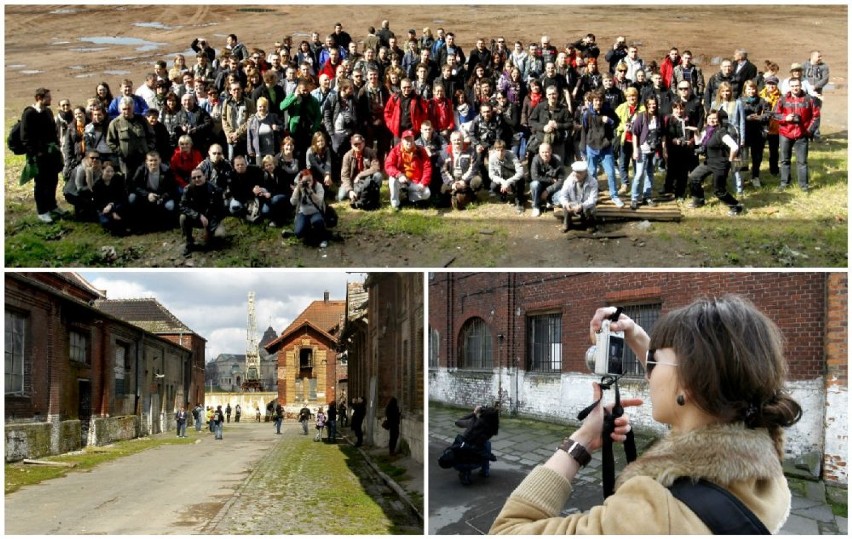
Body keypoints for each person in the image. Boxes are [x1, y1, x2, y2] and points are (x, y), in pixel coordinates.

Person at [489, 296, 802, 534]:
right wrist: (637, 336)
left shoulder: (654, 510)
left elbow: (507, 530)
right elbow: (690, 395)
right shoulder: (764, 467)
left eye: (656, 362)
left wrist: (583, 439)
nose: (648, 376)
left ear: (691, 383)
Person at [21, 88, 68, 223]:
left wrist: (56, 147)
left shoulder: (48, 112)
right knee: (40, 183)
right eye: (48, 97)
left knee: (52, 180)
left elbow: (53, 132)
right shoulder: (29, 114)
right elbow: (25, 137)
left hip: (51, 154)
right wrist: (36, 153)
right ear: (39, 98)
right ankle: (42, 211)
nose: (51, 99)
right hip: (38, 156)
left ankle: (52, 206)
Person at [688, 109, 743, 216]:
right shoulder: (708, 130)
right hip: (709, 162)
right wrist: (695, 131)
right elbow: (699, 141)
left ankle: (736, 206)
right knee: (693, 177)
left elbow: (735, 147)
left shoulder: (721, 132)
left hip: (720, 164)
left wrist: (731, 159)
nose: (712, 120)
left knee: (718, 190)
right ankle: (699, 200)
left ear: (718, 120)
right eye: (710, 118)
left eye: (714, 118)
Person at [774, 78, 819, 192]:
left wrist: (808, 131)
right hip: (785, 133)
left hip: (802, 134)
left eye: (797, 85)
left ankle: (804, 186)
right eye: (793, 86)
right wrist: (785, 118)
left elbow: (816, 116)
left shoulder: (809, 99)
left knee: (802, 161)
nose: (795, 88)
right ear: (789, 87)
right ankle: (784, 183)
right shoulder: (782, 99)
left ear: (801, 86)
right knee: (784, 160)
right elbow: (775, 115)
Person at [179, 167, 226, 256]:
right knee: (183, 217)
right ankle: (189, 241)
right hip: (196, 218)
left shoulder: (215, 189)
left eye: (199, 176)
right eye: (194, 178)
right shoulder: (188, 189)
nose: (197, 179)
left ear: (205, 176)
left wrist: (210, 227)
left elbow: (222, 211)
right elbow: (182, 206)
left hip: (212, 219)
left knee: (220, 236)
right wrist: (198, 215)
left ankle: (211, 237)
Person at [128, 151, 178, 230]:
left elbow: (172, 188)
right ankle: (134, 224)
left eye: (155, 160)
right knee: (132, 198)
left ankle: (169, 225)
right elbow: (134, 185)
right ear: (146, 161)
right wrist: (147, 194)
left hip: (162, 195)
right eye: (151, 160)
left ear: (160, 160)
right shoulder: (141, 170)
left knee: (170, 206)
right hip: (145, 194)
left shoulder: (167, 170)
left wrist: (162, 196)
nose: (153, 163)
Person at [107, 96, 155, 177]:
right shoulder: (115, 123)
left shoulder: (142, 120)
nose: (126, 111)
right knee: (127, 180)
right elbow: (110, 141)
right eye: (124, 109)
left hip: (142, 157)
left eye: (129, 108)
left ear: (133, 108)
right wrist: (120, 152)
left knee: (142, 179)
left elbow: (151, 135)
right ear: (120, 109)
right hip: (126, 160)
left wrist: (148, 148)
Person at [385, 130, 432, 210]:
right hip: (402, 180)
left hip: (415, 181)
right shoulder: (395, 151)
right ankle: (395, 204)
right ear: (402, 140)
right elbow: (388, 165)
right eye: (406, 140)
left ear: (414, 140)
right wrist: (399, 175)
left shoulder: (420, 150)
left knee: (427, 193)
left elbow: (427, 167)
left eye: (411, 140)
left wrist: (423, 183)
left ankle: (407, 198)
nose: (409, 142)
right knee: (392, 180)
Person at [452, 404, 500, 484]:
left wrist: (474, 412)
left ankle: (465, 473)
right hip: (479, 455)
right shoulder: (492, 428)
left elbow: (457, 422)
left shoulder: (473, 422)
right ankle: (485, 471)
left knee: (464, 445)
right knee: (487, 444)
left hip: (466, 455)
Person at [440, 130, 481, 210]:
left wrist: (464, 181)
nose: (457, 142)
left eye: (459, 139)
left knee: (477, 181)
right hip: (453, 178)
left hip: (466, 178)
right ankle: (453, 196)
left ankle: (472, 195)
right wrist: (452, 183)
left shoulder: (471, 151)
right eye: (454, 140)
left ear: (462, 140)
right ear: (451, 141)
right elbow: (444, 171)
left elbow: (474, 168)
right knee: (443, 189)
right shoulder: (445, 153)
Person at [340, 133, 383, 210]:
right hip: (353, 182)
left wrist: (360, 175)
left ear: (363, 143)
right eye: (355, 144)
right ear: (351, 145)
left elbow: (376, 167)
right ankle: (356, 194)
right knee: (341, 196)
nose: (358, 146)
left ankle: (372, 194)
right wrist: (350, 190)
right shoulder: (347, 156)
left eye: (359, 143)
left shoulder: (370, 152)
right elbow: (344, 176)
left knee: (378, 175)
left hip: (367, 180)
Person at [289, 169, 329, 248]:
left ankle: (323, 238)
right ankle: (310, 231)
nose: (308, 183)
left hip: (316, 211)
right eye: (305, 181)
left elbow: (320, 202)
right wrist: (297, 189)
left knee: (317, 221)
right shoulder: (299, 187)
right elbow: (292, 202)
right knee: (298, 233)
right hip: (303, 212)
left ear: (313, 179)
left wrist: (311, 192)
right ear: (301, 180)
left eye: (310, 180)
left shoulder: (318, 186)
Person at [555, 160, 598, 232]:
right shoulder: (569, 180)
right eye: (575, 172)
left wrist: (582, 206)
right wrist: (565, 203)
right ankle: (567, 223)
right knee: (565, 206)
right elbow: (563, 195)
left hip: (585, 205)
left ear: (585, 172)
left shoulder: (593, 182)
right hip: (573, 203)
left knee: (590, 208)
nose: (576, 174)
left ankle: (590, 225)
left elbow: (593, 199)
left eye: (579, 173)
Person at [529, 142, 566, 217]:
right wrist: (550, 180)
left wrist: (548, 190)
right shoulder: (535, 159)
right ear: (539, 152)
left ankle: (549, 201)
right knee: (534, 184)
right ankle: (536, 206)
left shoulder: (557, 160)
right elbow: (534, 177)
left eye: (547, 152)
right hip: (540, 186)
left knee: (562, 197)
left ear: (551, 151)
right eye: (542, 152)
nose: (544, 154)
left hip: (552, 188)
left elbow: (561, 180)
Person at [488, 139, 525, 212]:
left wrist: (508, 182)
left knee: (521, 179)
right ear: (495, 150)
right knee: (493, 185)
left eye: (502, 150)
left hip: (512, 177)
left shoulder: (512, 155)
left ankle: (519, 201)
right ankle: (503, 194)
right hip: (501, 178)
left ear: (505, 150)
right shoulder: (492, 158)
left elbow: (520, 172)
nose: (500, 153)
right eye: (498, 150)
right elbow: (491, 175)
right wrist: (502, 182)